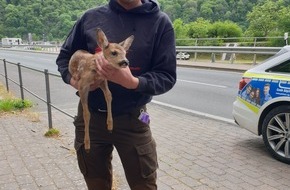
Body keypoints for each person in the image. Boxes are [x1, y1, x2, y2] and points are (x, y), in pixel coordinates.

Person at [56, 0, 177, 189]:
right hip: (91, 120)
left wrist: (133, 82)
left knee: (144, 185)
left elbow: (167, 76)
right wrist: (74, 81)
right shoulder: (90, 18)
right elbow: (64, 58)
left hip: (133, 120)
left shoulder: (159, 22)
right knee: (96, 184)